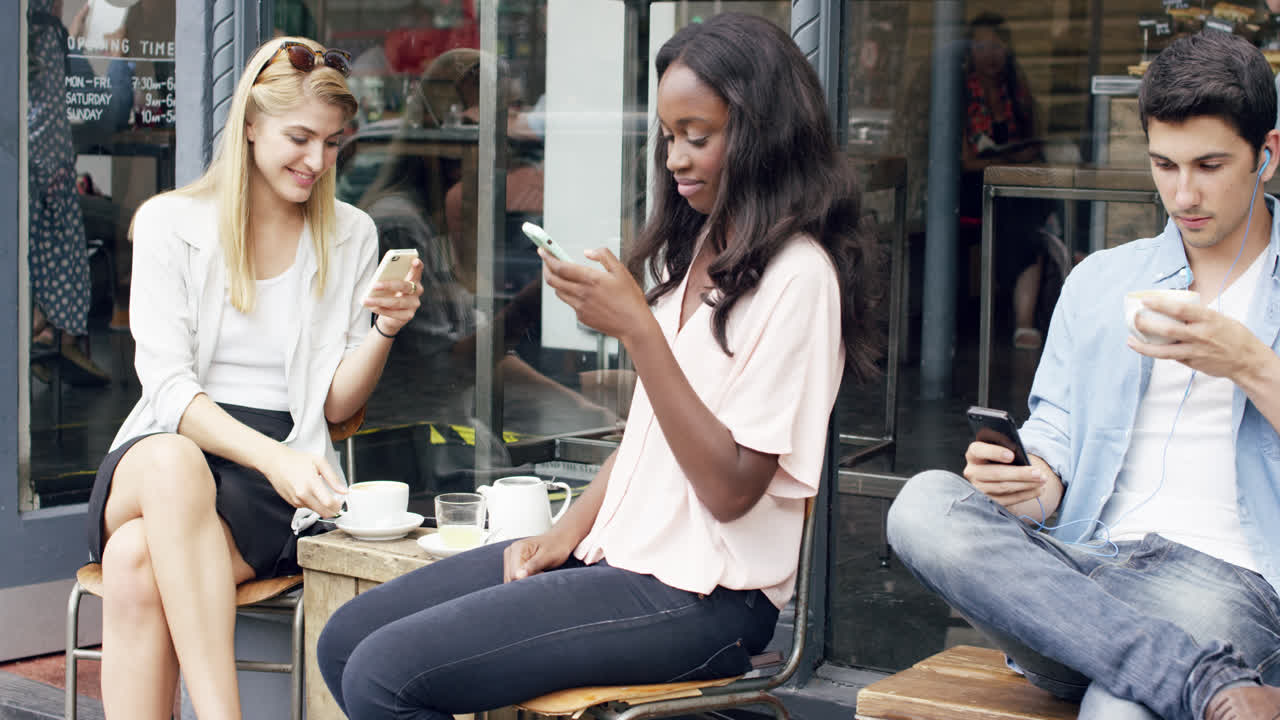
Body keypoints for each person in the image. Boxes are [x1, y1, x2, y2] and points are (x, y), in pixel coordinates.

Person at [315, 13, 879, 719]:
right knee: (345, 642)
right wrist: (566, 530)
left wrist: (638, 329)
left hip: (703, 596)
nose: (675, 159)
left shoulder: (800, 278)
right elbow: (649, 439)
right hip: (619, 553)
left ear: (763, 134)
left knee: (383, 676)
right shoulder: (697, 249)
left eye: (697, 136)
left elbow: (732, 491)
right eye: (668, 137)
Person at [887, 31, 1280, 720]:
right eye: (1164, 165)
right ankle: (1190, 676)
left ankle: (1149, 665)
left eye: (1210, 165)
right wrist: (1029, 483)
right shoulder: (1103, 280)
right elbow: (1057, 441)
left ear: (1267, 155)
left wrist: (1248, 363)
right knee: (922, 506)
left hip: (1226, 586)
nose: (1183, 193)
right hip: (1088, 566)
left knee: (1119, 706)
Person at [84, 37, 424, 720]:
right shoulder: (170, 223)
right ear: (249, 124)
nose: (317, 162)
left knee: (135, 560)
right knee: (176, 463)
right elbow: (168, 390)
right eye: (300, 138)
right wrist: (276, 459)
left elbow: (334, 406)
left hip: (276, 478)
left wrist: (385, 330)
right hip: (169, 445)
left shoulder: (351, 234)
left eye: (332, 144)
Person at [959, 12, 1060, 351]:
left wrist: (1023, 155)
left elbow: (1035, 139)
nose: (990, 54)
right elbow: (966, 161)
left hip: (1015, 187)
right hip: (972, 188)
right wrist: (1010, 161)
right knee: (1024, 217)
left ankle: (1024, 318)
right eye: (981, 46)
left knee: (1027, 206)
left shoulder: (1015, 91)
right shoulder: (960, 94)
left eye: (997, 46)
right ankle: (1024, 319)